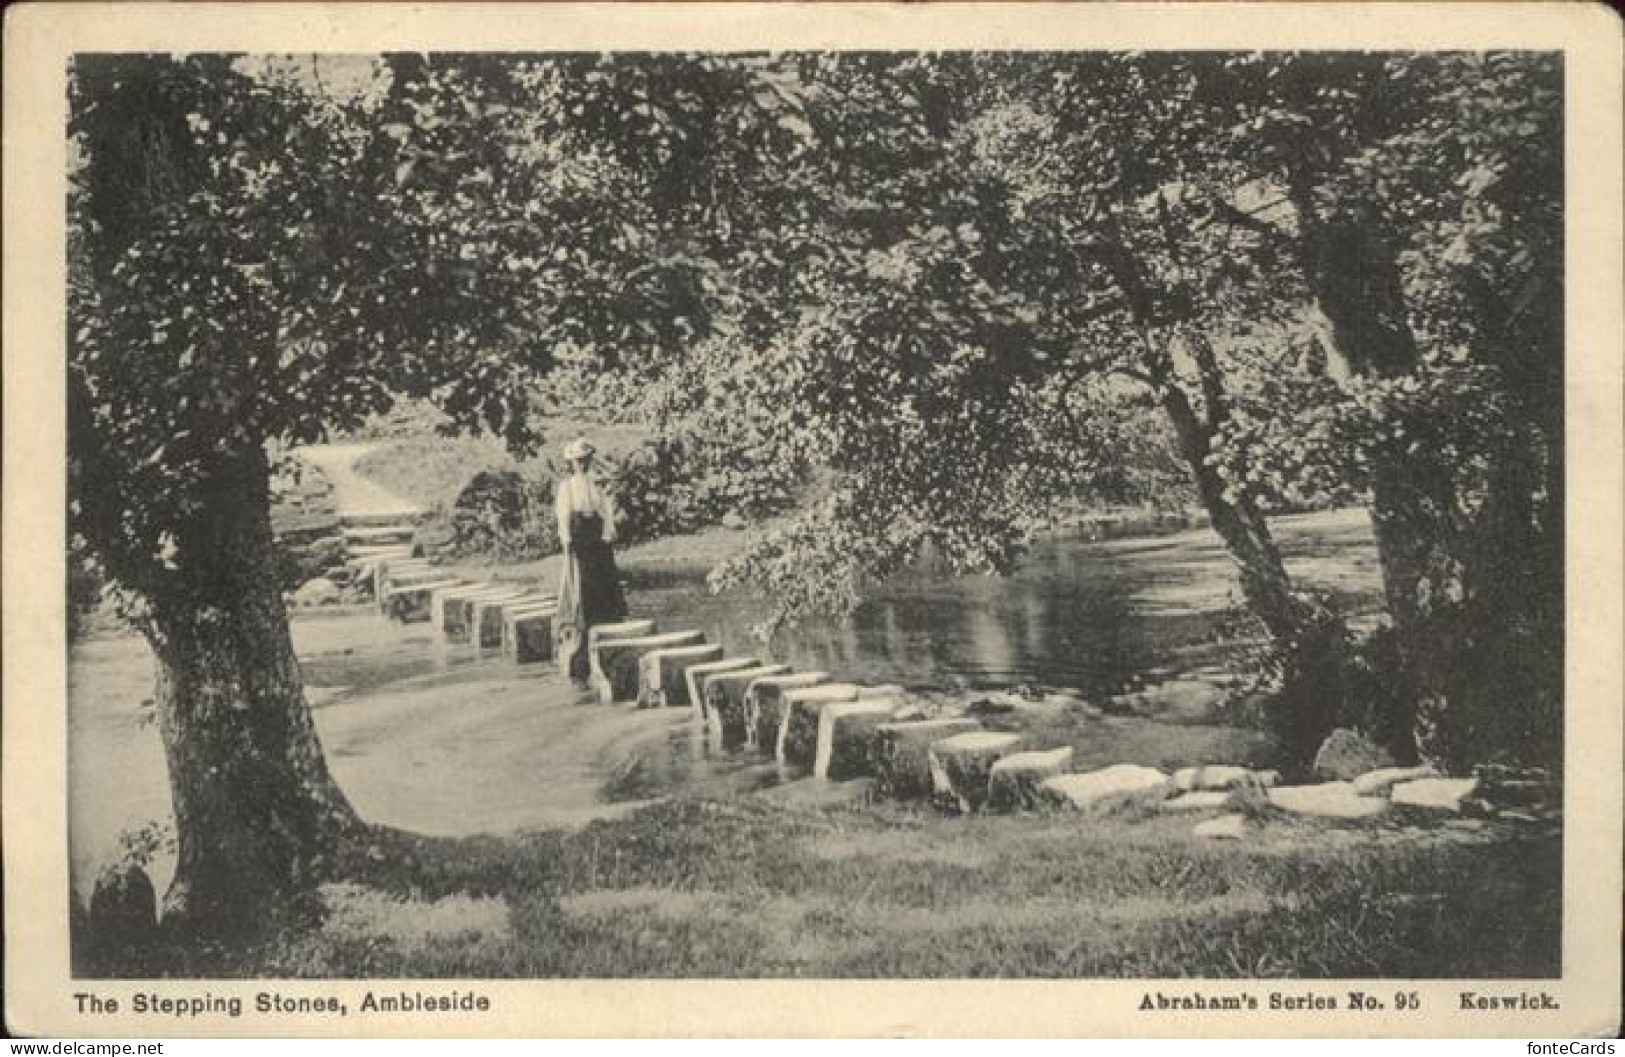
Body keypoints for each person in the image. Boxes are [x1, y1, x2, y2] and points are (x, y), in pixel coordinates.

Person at [554, 438, 627, 692]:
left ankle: (611, 648)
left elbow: (605, 512)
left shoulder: (597, 485)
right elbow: (563, 516)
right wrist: (567, 542)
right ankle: (579, 664)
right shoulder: (567, 487)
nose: (582, 465)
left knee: (606, 593)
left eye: (586, 460)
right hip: (580, 543)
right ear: (571, 463)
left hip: (598, 543)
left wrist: (608, 535)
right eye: (578, 461)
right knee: (582, 597)